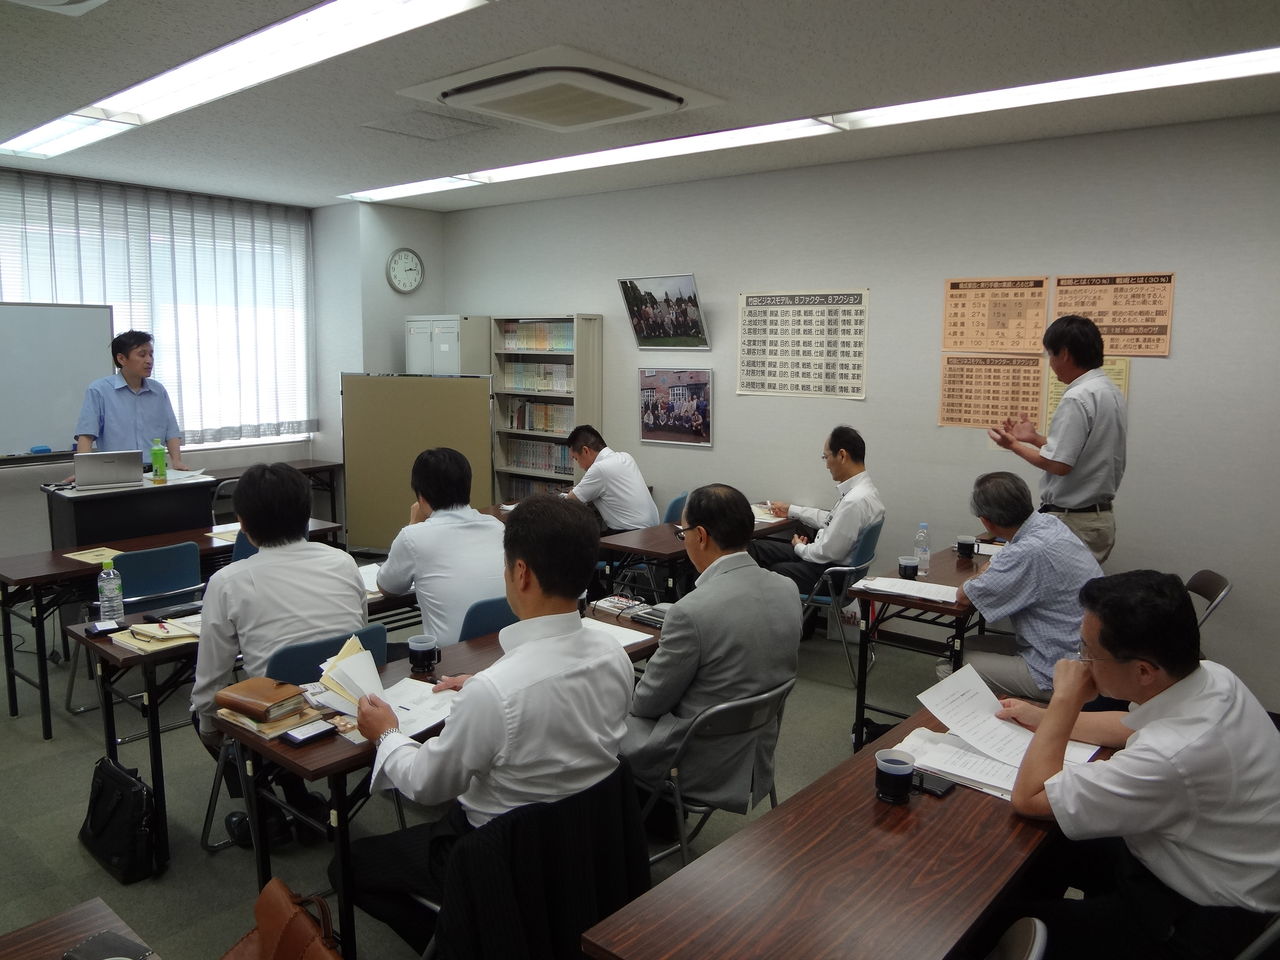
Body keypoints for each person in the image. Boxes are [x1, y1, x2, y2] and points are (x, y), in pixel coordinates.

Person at [339, 494, 634, 954]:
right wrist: (484, 682)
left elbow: (426, 784)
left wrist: (387, 733)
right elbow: (547, 686)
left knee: (346, 865)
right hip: (582, 845)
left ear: (521, 573)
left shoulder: (495, 693)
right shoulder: (614, 655)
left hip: (495, 856)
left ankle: (466, 937)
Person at [996, 570, 1280, 960]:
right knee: (1044, 854)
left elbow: (1029, 797)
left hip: (1192, 918)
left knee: (999, 921)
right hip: (1209, 860)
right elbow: (1127, 726)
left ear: (1143, 670)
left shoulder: (1171, 756)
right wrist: (1041, 716)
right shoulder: (1213, 677)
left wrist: (1064, 700)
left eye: (1087, 651)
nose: (1080, 662)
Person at [190, 463, 366, 840]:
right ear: (307, 515)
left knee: (208, 707)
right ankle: (300, 803)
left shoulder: (227, 581)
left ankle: (266, 813)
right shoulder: (344, 561)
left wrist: (209, 729)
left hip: (282, 719)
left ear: (242, 524)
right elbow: (358, 638)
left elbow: (211, 684)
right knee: (289, 689)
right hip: (351, 705)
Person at [623, 483, 801, 813]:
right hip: (755, 751)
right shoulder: (788, 589)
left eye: (683, 534)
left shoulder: (690, 612)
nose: (685, 540)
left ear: (701, 536)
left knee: (599, 721)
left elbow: (646, 704)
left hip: (696, 759)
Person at [988, 314, 1126, 563]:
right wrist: (1034, 438)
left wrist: (1013, 445)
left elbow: (1059, 465)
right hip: (1096, 518)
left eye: (1051, 355)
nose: (1050, 364)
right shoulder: (1108, 390)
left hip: (1074, 520)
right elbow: (1081, 452)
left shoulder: (1078, 396)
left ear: (1064, 354)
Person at [956, 472, 1101, 700]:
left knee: (951, 661)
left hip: (1058, 670)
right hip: (1083, 654)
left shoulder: (1027, 552)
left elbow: (964, 596)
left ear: (986, 521)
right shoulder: (1049, 523)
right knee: (969, 644)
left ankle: (1008, 719)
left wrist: (983, 572)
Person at [376, 447, 505, 647]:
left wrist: (413, 523)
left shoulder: (413, 537)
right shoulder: (496, 527)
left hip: (450, 657)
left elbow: (387, 586)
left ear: (421, 497)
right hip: (501, 647)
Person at [748, 424, 884, 595]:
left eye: (826, 457)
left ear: (842, 455)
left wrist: (799, 547)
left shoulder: (854, 501)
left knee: (771, 570)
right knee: (757, 548)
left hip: (829, 576)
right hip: (830, 566)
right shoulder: (866, 492)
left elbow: (827, 552)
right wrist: (791, 510)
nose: (827, 465)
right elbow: (831, 519)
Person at [74, 329, 190, 468]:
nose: (149, 360)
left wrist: (176, 461)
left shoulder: (158, 391)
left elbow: (171, 432)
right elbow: (86, 435)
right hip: (116, 471)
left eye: (151, 354)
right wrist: (83, 470)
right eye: (142, 355)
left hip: (155, 471)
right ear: (121, 359)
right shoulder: (99, 390)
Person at [565, 424, 659, 532]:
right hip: (654, 530)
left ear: (586, 451)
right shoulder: (626, 457)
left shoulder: (599, 468)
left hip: (631, 535)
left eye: (576, 459)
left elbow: (570, 501)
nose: (580, 466)